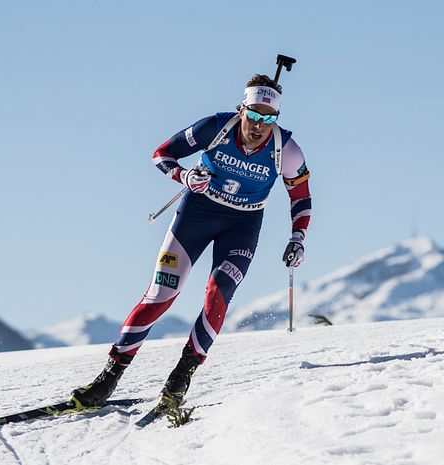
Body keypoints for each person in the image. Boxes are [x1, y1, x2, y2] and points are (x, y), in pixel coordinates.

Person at [70, 73, 312, 411]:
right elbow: (160, 154)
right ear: (241, 109)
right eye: (253, 115)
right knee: (161, 295)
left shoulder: (286, 150)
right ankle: (107, 379)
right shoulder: (215, 127)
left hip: (242, 225)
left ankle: (181, 375)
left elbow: (300, 198)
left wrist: (298, 238)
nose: (258, 125)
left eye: (267, 118)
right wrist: (184, 175)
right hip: (196, 214)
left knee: (218, 292)